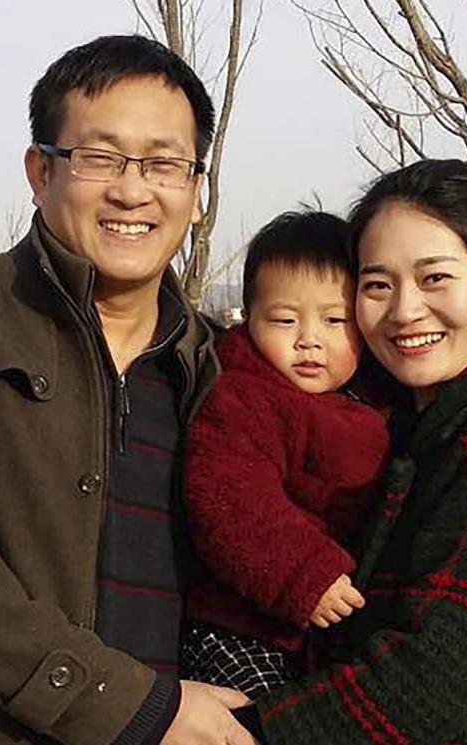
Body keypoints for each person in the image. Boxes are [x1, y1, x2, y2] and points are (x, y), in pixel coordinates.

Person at [0, 35, 257, 745]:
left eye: (164, 163)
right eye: (98, 157)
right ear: (41, 173)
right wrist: (137, 707)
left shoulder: (217, 366)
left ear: (197, 192)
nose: (133, 189)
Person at [252, 159, 467, 745]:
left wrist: (238, 734)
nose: (405, 311)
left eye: (434, 278)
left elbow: (429, 680)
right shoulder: (396, 424)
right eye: (378, 285)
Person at [179, 211, 390, 697]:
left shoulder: (372, 402)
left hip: (319, 634)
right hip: (238, 630)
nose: (308, 339)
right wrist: (303, 573)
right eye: (285, 319)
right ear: (248, 320)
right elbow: (229, 498)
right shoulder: (244, 398)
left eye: (335, 320)